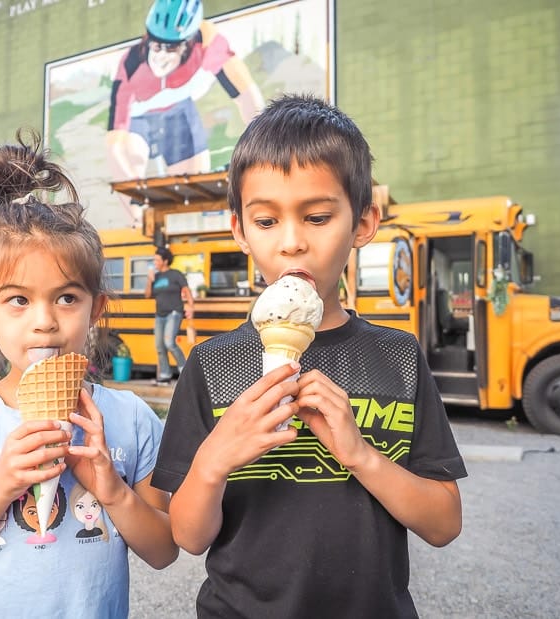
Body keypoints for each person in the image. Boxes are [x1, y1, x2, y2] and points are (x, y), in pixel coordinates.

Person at [151, 94, 467, 618]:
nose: (292, 243)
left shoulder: (399, 356)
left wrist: (361, 455)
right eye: (267, 222)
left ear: (363, 223)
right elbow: (187, 536)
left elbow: (443, 524)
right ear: (240, 231)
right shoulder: (212, 364)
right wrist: (215, 460)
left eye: (317, 217)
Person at [0, 130, 177, 617]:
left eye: (67, 297)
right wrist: (2, 485)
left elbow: (163, 550)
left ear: (97, 309)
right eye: (19, 300)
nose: (45, 320)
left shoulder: (130, 418)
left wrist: (111, 489)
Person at [106, 0, 264, 223]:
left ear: (188, 43)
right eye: (156, 45)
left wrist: (262, 149)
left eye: (170, 47)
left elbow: (249, 99)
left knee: (191, 185)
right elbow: (115, 144)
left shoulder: (208, 42)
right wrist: (134, 201)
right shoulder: (131, 62)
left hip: (179, 111)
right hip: (139, 117)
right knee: (131, 161)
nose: (160, 55)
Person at [144, 246, 194, 385]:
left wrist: (190, 306)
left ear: (165, 261)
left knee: (169, 343)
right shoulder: (156, 277)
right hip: (160, 315)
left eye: (157, 260)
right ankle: (165, 376)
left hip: (174, 313)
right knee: (160, 346)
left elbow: (186, 291)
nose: (155, 262)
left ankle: (185, 371)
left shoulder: (175, 274)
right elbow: (147, 295)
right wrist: (149, 279)